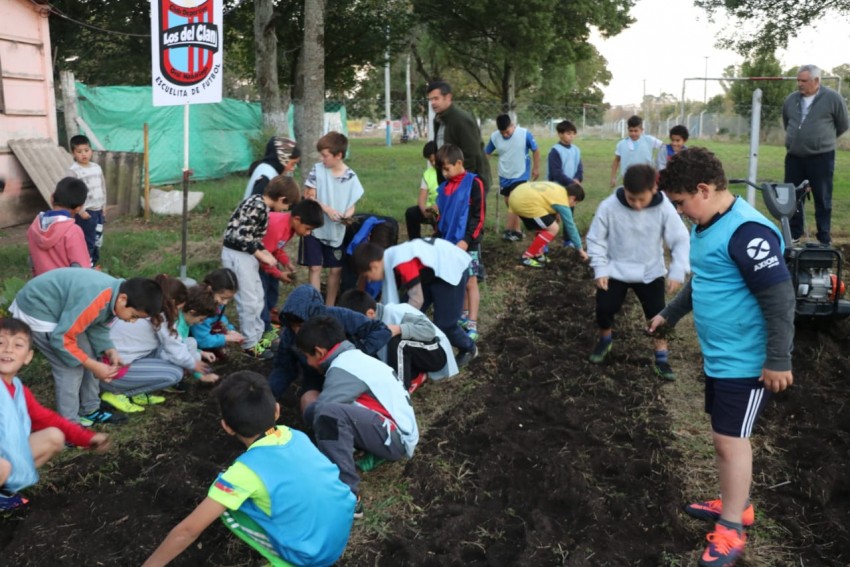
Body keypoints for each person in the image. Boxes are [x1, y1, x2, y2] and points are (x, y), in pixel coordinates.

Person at [651, 147, 795, 567]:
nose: (679, 213)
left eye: (681, 203)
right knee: (723, 437)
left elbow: (780, 299)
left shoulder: (747, 233)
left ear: (704, 189)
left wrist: (779, 359)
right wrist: (669, 314)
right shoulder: (706, 225)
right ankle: (737, 502)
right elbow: (705, 280)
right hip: (720, 356)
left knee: (731, 443)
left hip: (747, 361)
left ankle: (732, 527)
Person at [142, 371, 355, 567]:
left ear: (226, 426)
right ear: (277, 410)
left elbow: (187, 531)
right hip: (339, 534)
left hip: (311, 557)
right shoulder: (294, 435)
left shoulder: (242, 474)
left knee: (228, 503)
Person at [297, 316, 418, 517]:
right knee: (317, 411)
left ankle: (348, 497)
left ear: (319, 352)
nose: (308, 363)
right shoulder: (352, 358)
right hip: (389, 429)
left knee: (327, 414)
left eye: (306, 356)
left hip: (397, 439)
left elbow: (323, 415)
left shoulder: (342, 368)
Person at [9, 269, 162, 425]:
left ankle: (90, 410)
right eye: (134, 316)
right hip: (38, 309)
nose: (132, 321)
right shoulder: (97, 298)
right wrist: (93, 365)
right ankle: (69, 425)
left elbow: (98, 323)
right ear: (123, 299)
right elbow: (61, 339)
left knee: (89, 354)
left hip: (62, 312)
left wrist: (109, 349)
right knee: (69, 368)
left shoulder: (115, 296)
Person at [586, 163, 690, 380]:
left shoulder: (664, 208)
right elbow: (596, 238)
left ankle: (661, 358)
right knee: (604, 309)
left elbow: (680, 239)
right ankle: (605, 340)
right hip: (615, 271)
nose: (637, 205)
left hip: (650, 272)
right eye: (631, 199)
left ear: (654, 189)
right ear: (625, 190)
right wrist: (600, 268)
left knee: (659, 316)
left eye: (642, 199)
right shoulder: (609, 206)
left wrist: (677, 269)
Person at [0, 317, 110, 511]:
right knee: (3, 466)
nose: (8, 349)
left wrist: (87, 438)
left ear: (28, 357)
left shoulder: (18, 390)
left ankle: (3, 494)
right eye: (0, 343)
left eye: (17, 345)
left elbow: (48, 419)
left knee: (53, 437)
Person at [351, 238, 477, 368]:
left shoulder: (402, 261)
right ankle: (413, 350)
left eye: (367, 276)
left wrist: (400, 326)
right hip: (431, 274)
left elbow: (417, 299)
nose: (370, 281)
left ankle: (469, 348)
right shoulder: (389, 258)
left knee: (445, 324)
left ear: (374, 266)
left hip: (450, 267)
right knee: (404, 309)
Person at [102, 277, 219, 414]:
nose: (179, 312)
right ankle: (118, 393)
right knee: (175, 374)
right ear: (172, 303)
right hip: (111, 371)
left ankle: (135, 391)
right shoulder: (160, 317)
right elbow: (175, 349)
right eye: (180, 308)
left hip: (110, 361)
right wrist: (194, 365)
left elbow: (177, 343)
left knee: (169, 355)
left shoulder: (148, 307)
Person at [267, 285, 391, 403]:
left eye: (301, 325)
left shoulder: (338, 316)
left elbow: (381, 330)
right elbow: (284, 368)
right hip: (315, 376)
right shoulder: (289, 335)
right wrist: (268, 397)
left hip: (350, 372)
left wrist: (358, 353)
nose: (297, 331)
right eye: (293, 326)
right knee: (308, 402)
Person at [222, 175, 300, 360]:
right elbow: (240, 237)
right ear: (282, 199)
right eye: (287, 206)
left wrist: (265, 254)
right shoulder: (257, 206)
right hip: (238, 256)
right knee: (249, 301)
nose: (285, 210)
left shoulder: (261, 206)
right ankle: (250, 345)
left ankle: (258, 339)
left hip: (247, 256)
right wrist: (261, 254)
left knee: (257, 298)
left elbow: (253, 238)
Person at [338, 289, 456, 392]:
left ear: (370, 313)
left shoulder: (394, 311)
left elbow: (429, 331)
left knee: (396, 341)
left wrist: (399, 329)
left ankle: (401, 391)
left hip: (435, 353)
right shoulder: (366, 325)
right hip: (414, 354)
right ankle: (414, 377)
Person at [783, 64, 849, 245]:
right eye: (798, 80)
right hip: (794, 157)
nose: (799, 84)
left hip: (821, 157)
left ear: (816, 81)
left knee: (822, 196)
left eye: (803, 81)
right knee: (792, 196)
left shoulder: (832, 98)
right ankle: (794, 233)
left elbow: (843, 124)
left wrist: (823, 139)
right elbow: (787, 122)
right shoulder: (791, 100)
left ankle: (824, 235)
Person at [300, 131, 365, 306]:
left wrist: (347, 215)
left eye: (325, 156)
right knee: (315, 267)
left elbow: (352, 204)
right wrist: (327, 209)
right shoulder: (317, 170)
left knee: (335, 270)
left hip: (336, 231)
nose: (322, 159)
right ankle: (315, 306)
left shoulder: (351, 177)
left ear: (339, 155)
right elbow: (309, 195)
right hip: (315, 227)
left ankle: (329, 307)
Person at [433, 144, 486, 344]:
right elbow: (442, 216)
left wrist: (466, 240)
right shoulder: (444, 187)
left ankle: (472, 323)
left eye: (447, 169)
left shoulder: (474, 183)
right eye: (442, 170)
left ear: (459, 163)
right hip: (448, 243)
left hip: (468, 244)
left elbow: (478, 216)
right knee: (456, 280)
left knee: (471, 281)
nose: (445, 174)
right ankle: (462, 316)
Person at [259, 199, 324, 335]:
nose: (308, 233)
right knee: (261, 294)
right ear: (297, 219)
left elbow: (277, 248)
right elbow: (262, 258)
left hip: (267, 259)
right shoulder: (276, 227)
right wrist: (279, 274)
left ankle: (270, 314)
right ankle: (264, 329)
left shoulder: (290, 228)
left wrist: (286, 263)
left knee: (273, 288)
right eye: (308, 229)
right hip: (257, 261)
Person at [426, 80, 492, 190]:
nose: (432, 103)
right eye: (430, 100)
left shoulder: (462, 120)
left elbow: (472, 156)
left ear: (448, 97)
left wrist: (462, 185)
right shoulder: (438, 120)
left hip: (468, 183)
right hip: (448, 182)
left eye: (436, 98)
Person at [507, 181, 589, 268]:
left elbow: (547, 199)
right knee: (553, 228)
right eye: (575, 203)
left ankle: (538, 254)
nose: (573, 205)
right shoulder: (563, 202)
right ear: (572, 198)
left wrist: (556, 213)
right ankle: (526, 257)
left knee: (546, 224)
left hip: (516, 195)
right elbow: (570, 226)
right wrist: (580, 249)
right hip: (525, 203)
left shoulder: (560, 188)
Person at [485, 114, 540, 241]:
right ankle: (518, 232)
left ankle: (509, 231)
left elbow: (536, 150)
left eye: (507, 132)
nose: (505, 135)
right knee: (508, 201)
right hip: (504, 174)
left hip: (520, 174)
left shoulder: (524, 134)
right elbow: (487, 153)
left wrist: (536, 168)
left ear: (512, 125)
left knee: (514, 201)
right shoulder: (495, 137)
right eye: (502, 132)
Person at [27, 177, 91, 276]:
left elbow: (33, 262)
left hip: (40, 287)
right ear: (79, 208)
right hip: (65, 289)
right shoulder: (73, 231)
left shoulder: (34, 228)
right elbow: (82, 270)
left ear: (52, 197)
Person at [65, 134, 106, 266]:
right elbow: (70, 192)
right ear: (73, 153)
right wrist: (81, 210)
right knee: (87, 241)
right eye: (79, 151)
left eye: (86, 150)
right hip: (86, 213)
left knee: (97, 238)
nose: (84, 154)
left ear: (91, 150)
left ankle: (95, 262)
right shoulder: (73, 171)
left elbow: (102, 186)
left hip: (99, 211)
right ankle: (86, 266)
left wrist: (104, 206)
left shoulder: (96, 167)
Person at [189, 268, 245, 362]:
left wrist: (229, 330)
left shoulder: (215, 302)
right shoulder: (201, 310)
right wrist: (225, 338)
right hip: (194, 339)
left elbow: (220, 317)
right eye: (223, 298)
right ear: (210, 289)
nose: (225, 302)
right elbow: (202, 340)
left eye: (229, 299)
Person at [610, 115, 663, 188]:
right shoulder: (621, 144)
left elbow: (664, 147)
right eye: (631, 131)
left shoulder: (649, 140)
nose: (633, 133)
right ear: (628, 129)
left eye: (636, 131)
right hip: (628, 179)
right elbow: (616, 161)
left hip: (646, 178)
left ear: (641, 130)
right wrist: (613, 177)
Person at [404, 141, 440, 240]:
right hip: (431, 210)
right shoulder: (427, 174)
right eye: (430, 161)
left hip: (443, 209)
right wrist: (424, 211)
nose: (433, 163)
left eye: (434, 160)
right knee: (411, 213)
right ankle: (415, 242)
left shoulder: (448, 170)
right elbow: (421, 199)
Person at [547, 120, 584, 190]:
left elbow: (580, 169)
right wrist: (571, 182)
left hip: (572, 187)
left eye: (573, 134)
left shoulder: (576, 150)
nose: (571, 136)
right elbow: (556, 173)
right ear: (560, 134)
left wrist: (577, 179)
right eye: (568, 134)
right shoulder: (555, 151)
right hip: (556, 188)